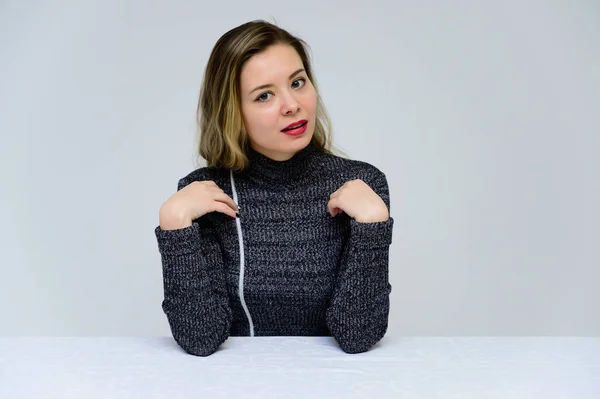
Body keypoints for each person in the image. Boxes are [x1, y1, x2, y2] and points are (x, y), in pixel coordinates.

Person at [155, 20, 394, 356]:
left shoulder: (362, 187)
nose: (292, 105)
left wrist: (372, 224)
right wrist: (174, 222)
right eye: (264, 95)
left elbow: (357, 336)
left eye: (298, 82)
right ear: (232, 112)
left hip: (336, 383)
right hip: (236, 385)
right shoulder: (204, 195)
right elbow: (201, 339)